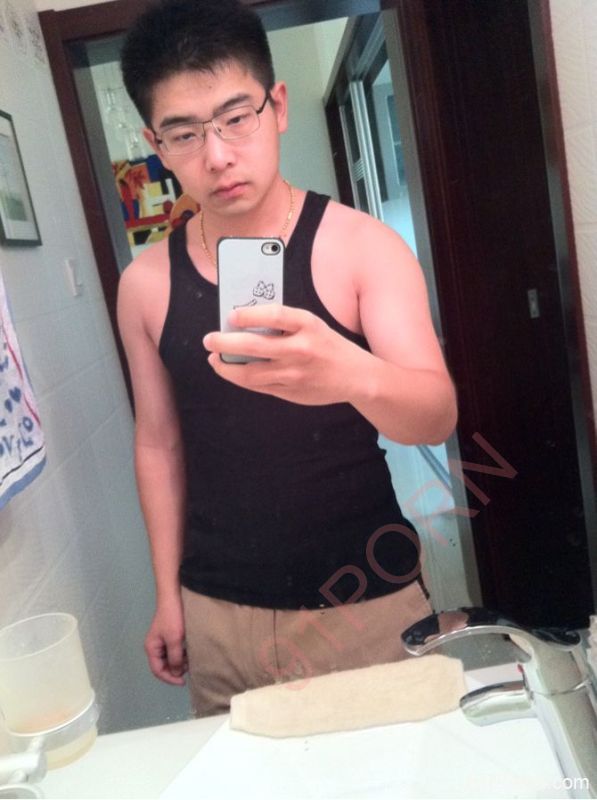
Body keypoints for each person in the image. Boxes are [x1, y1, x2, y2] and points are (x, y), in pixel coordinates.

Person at [118, 0, 457, 717]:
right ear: (157, 144)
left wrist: (350, 373)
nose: (216, 156)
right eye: (185, 133)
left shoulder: (364, 247)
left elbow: (435, 417)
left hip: (364, 598)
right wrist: (167, 594)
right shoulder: (144, 285)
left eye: (235, 117)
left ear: (276, 107)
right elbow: (157, 443)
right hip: (216, 610)